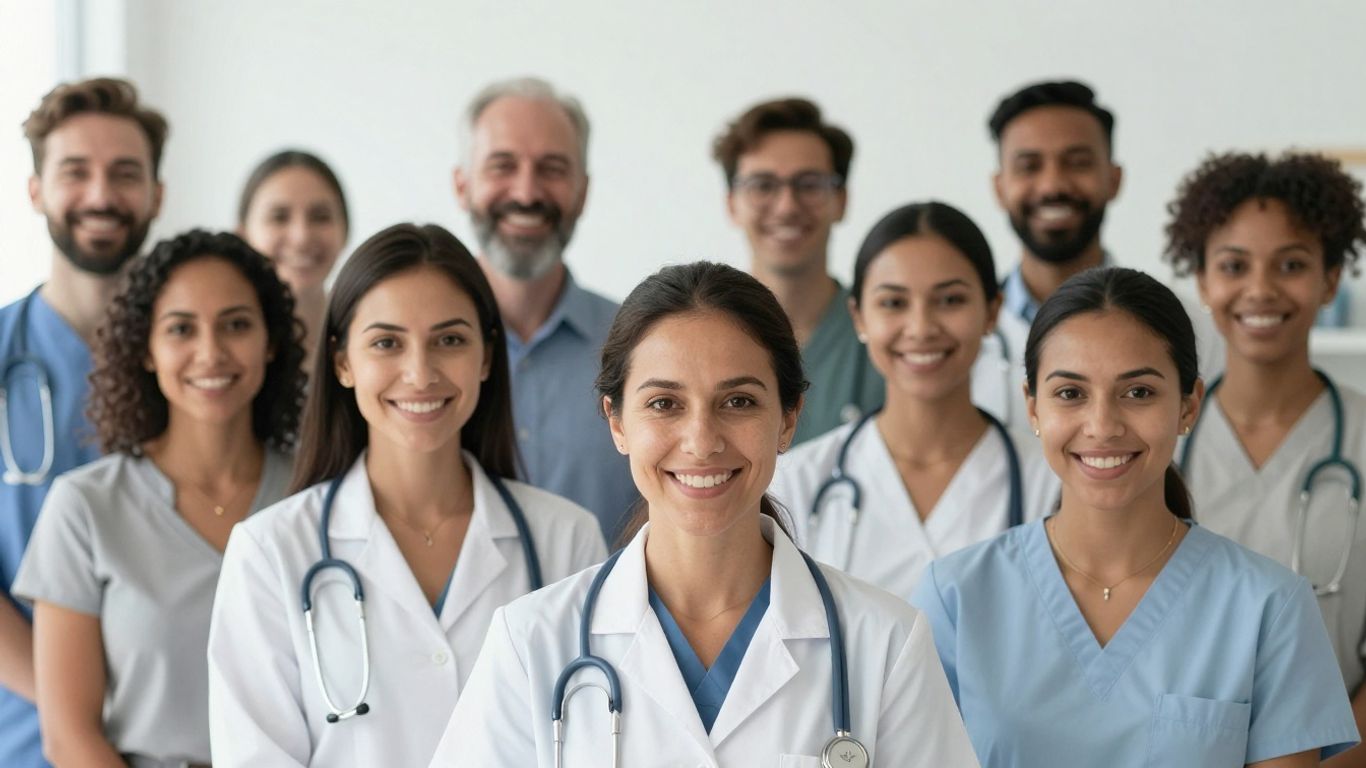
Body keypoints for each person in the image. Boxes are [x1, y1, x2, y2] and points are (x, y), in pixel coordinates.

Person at [430, 262, 978, 766]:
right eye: (664, 404)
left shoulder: (884, 643)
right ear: (617, 423)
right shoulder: (531, 643)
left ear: (788, 419)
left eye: (738, 402)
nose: (701, 441)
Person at [912, 267, 1358, 766]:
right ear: (1033, 408)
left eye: (1139, 392)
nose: (1102, 426)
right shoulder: (955, 597)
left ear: (1188, 406)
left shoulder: (1271, 607)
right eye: (1070, 393)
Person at [207, 223, 606, 767]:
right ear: (342, 361)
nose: (420, 374)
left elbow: (591, 745)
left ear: (486, 357)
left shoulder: (566, 540)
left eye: (450, 340)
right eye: (387, 343)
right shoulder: (269, 551)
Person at [12, 230, 303, 768]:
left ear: (271, 341)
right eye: (181, 329)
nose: (210, 352)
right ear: (146, 349)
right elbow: (70, 738)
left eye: (236, 324)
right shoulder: (84, 508)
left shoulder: (314, 496)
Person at [1165, 152, 1366, 766]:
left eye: (1292, 264)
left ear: (1330, 280)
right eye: (1234, 265)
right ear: (1203, 281)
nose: (1260, 289)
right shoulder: (1155, 435)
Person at [0, 76, 167, 768]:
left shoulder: (194, 364)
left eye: (125, 174)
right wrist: (77, 715)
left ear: (157, 194)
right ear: (36, 190)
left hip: (176, 729)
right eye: (75, 172)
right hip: (27, 738)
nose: (101, 195)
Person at [771, 202, 1059, 601]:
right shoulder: (796, 483)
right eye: (894, 303)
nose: (921, 328)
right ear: (858, 316)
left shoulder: (1050, 480)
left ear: (992, 311)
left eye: (950, 300)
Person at [971, 80, 1221, 431]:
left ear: (1114, 179)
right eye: (1029, 166)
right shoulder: (958, 339)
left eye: (1078, 163)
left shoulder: (1193, 329)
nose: (1053, 185)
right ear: (999, 187)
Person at [452, 76, 635, 540]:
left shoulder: (642, 345)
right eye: (502, 166)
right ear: (461, 184)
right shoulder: (412, 355)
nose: (527, 193)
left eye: (552, 168)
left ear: (583, 191)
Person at [713, 97, 883, 444]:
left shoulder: (887, 336)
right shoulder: (699, 336)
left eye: (809, 185)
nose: (787, 206)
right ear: (732, 204)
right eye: (763, 185)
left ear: (841, 201)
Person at [237, 149, 350, 368]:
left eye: (320, 217)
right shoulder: (225, 351)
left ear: (345, 230)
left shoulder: (369, 338)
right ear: (243, 235)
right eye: (279, 217)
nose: (302, 237)